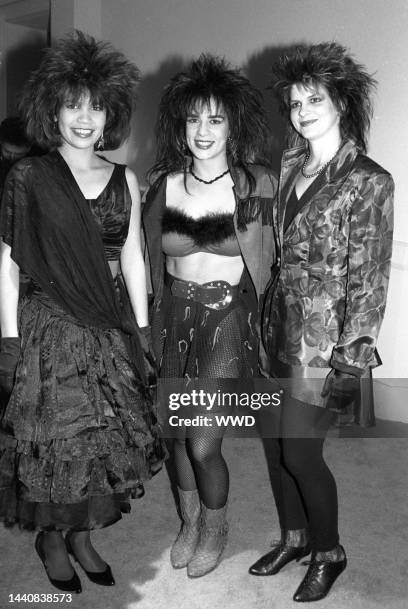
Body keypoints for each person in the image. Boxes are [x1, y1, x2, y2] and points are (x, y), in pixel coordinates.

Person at [0, 31, 166, 594]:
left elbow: (136, 257)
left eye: (96, 106)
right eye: (73, 104)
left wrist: (142, 330)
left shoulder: (126, 178)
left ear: (111, 114)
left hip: (108, 326)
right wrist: (9, 340)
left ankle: (82, 534)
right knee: (57, 441)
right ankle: (53, 537)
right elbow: (8, 263)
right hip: (49, 328)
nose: (84, 118)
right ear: (53, 108)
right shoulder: (28, 177)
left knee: (103, 438)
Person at [250, 42, 394, 602]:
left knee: (302, 453)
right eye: (294, 102)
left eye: (315, 99)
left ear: (341, 103)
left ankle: (330, 551)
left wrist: (350, 360)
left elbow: (371, 277)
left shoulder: (369, 180)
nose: (302, 110)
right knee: (275, 444)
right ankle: (294, 537)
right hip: (276, 332)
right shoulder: (288, 164)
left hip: (324, 344)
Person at [143, 54, 277, 578]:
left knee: (202, 439)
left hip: (227, 318)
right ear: (180, 123)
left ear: (233, 124)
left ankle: (216, 528)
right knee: (176, 433)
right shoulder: (164, 183)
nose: (203, 131)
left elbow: (283, 252)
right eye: (194, 118)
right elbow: (140, 254)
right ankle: (190, 522)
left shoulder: (255, 185)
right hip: (172, 317)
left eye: (215, 119)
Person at [0, 117, 32, 199]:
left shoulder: (38, 160)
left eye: (19, 154)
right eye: (7, 152)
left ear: (29, 148)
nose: (12, 157)